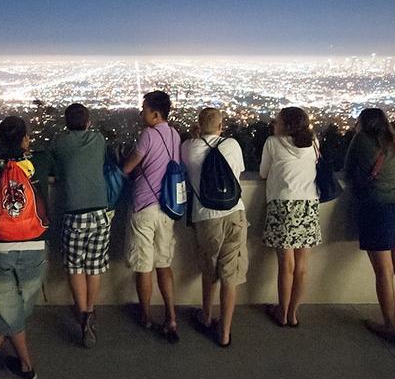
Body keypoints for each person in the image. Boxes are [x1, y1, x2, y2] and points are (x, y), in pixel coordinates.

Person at [0, 116, 50, 379]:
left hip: (0, 244)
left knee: (9, 306)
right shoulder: (38, 163)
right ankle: (26, 365)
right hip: (34, 241)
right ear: (24, 138)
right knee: (20, 306)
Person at [344, 108, 395, 352]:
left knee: (384, 273)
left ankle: (389, 325)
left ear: (363, 123)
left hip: (376, 209)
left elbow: (348, 172)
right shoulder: (394, 141)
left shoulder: (361, 140)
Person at [181, 108, 247, 347]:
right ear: (221, 126)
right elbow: (237, 173)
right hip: (234, 213)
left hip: (206, 217)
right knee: (231, 274)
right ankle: (225, 332)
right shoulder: (233, 145)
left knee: (210, 270)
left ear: (199, 125)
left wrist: (194, 135)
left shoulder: (188, 148)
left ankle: (206, 316)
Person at [121, 90, 182, 342]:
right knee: (163, 264)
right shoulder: (175, 134)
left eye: (144, 108)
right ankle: (170, 316)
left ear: (156, 114)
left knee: (143, 266)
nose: (141, 112)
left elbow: (128, 167)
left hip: (145, 206)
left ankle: (145, 316)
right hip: (167, 209)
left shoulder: (147, 135)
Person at [50, 103, 111, 348]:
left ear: (67, 123)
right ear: (88, 122)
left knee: (75, 267)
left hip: (74, 213)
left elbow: (55, 161)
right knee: (93, 267)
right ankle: (91, 311)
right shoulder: (98, 140)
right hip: (100, 212)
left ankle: (82, 312)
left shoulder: (60, 142)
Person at [259, 107, 320, 328]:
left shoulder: (272, 143)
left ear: (285, 126)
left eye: (277, 121)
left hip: (282, 204)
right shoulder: (314, 143)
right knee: (302, 266)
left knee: (286, 266)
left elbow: (263, 173)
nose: (274, 124)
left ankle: (282, 313)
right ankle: (293, 314)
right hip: (308, 205)